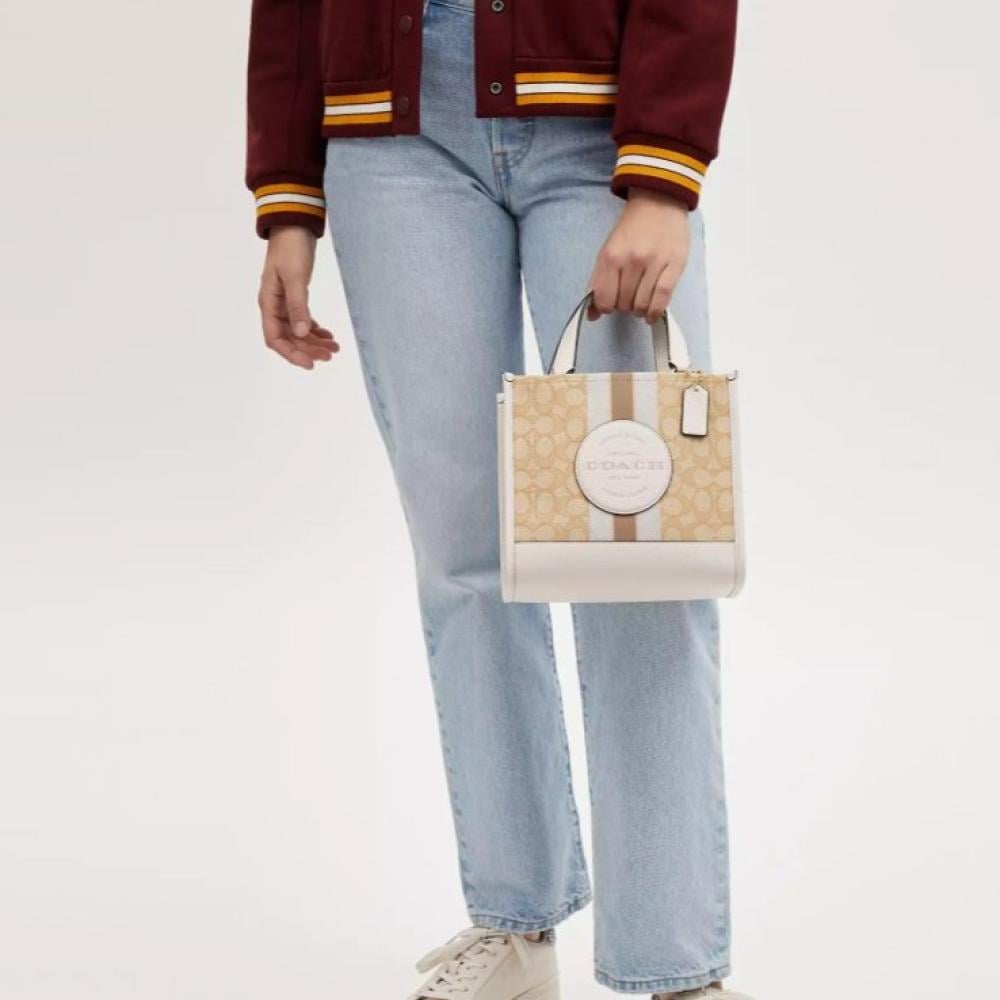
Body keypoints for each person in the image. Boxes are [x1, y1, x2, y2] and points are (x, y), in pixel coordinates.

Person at [244, 1, 751, 999]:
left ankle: (676, 967)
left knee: (638, 558)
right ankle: (516, 925)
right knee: (465, 557)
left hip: (597, 123)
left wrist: (663, 175)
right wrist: (288, 199)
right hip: (391, 142)